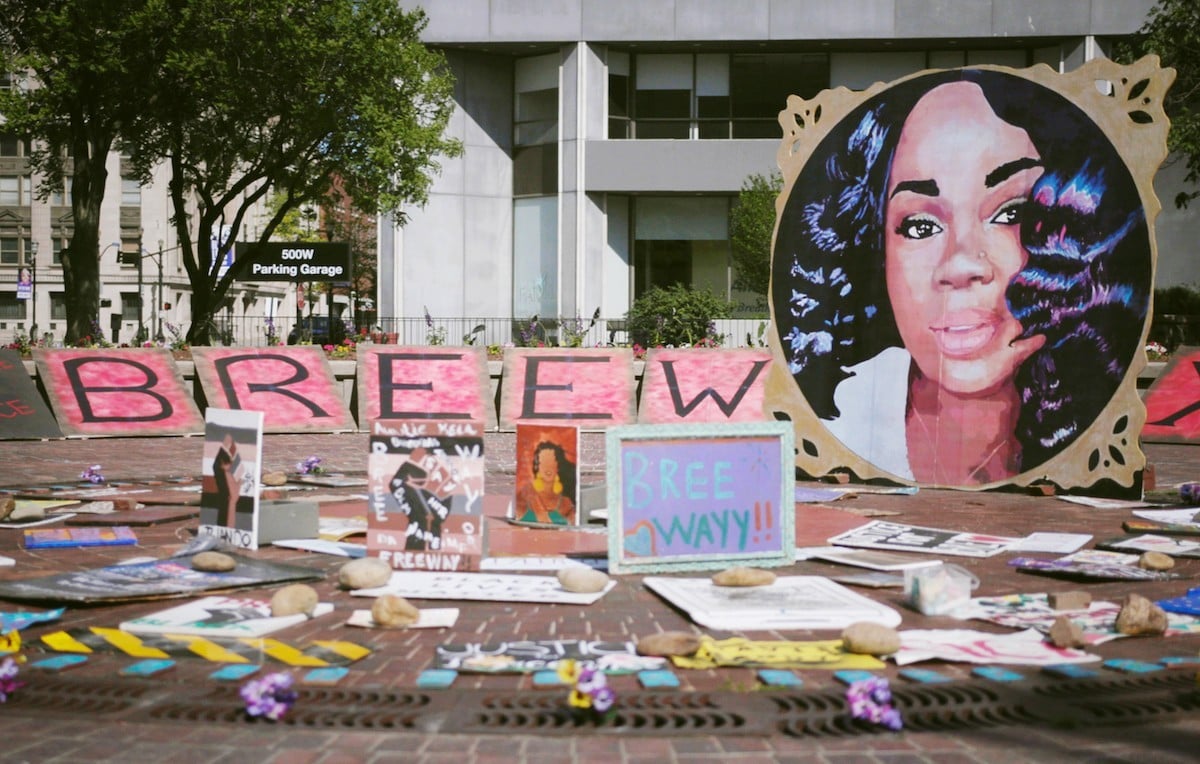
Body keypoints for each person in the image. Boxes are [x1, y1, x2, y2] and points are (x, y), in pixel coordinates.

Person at [772, 68, 1150, 486]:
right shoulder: (841, 418)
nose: (961, 264)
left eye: (1012, 214)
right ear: (878, 251)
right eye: (919, 226)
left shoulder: (1096, 428)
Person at [516, 441, 576, 524]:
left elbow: (574, 524)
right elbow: (515, 517)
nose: (548, 467)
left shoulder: (564, 501)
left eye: (552, 462)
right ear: (537, 467)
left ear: (557, 466)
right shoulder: (527, 492)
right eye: (544, 462)